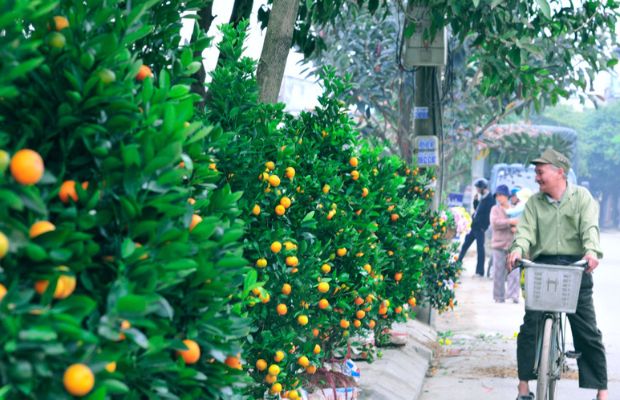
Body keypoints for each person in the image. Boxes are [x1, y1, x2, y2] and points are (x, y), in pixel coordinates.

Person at [507, 148, 607, 400]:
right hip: (543, 267)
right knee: (530, 327)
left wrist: (592, 252)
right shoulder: (534, 203)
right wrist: (517, 250)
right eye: (536, 173)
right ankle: (523, 386)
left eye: (540, 173)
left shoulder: (582, 197)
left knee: (587, 330)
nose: (537, 178)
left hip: (577, 265)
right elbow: (525, 233)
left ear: (559, 172)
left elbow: (590, 229)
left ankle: (601, 390)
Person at [457, 178, 494, 277]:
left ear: (483, 188)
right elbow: (478, 211)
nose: (477, 190)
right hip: (474, 227)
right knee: (465, 246)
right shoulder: (482, 197)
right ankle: (456, 266)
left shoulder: (490, 199)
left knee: (480, 250)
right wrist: (475, 202)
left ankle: (479, 271)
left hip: (480, 228)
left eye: (478, 188)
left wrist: (484, 227)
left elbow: (489, 216)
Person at [490, 184, 520, 303]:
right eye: (497, 195)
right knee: (498, 272)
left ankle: (513, 295)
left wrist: (516, 227)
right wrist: (510, 222)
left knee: (514, 271)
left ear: (507, 196)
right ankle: (499, 297)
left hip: (513, 246)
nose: (498, 198)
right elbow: (495, 223)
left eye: (501, 195)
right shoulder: (495, 209)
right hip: (498, 245)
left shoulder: (515, 209)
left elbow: (521, 222)